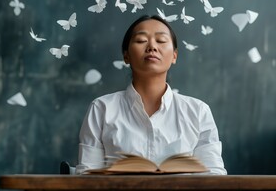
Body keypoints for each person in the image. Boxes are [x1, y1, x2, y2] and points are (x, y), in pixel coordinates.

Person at [76, 14, 227, 175]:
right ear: (126, 56)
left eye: (161, 41)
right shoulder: (102, 108)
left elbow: (214, 177)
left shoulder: (198, 111)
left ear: (174, 56)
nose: (152, 47)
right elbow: (88, 175)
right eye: (141, 41)